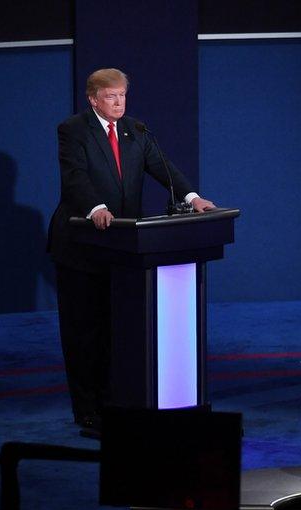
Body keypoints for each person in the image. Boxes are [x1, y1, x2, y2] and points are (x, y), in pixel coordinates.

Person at [47, 68, 216, 437]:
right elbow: (74, 176)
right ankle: (88, 411)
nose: (119, 102)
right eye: (111, 96)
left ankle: (115, 403)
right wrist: (96, 208)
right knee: (83, 332)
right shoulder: (73, 130)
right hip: (81, 245)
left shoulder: (135, 130)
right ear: (93, 99)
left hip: (124, 247)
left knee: (116, 330)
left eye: (123, 95)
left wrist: (192, 197)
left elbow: (162, 167)